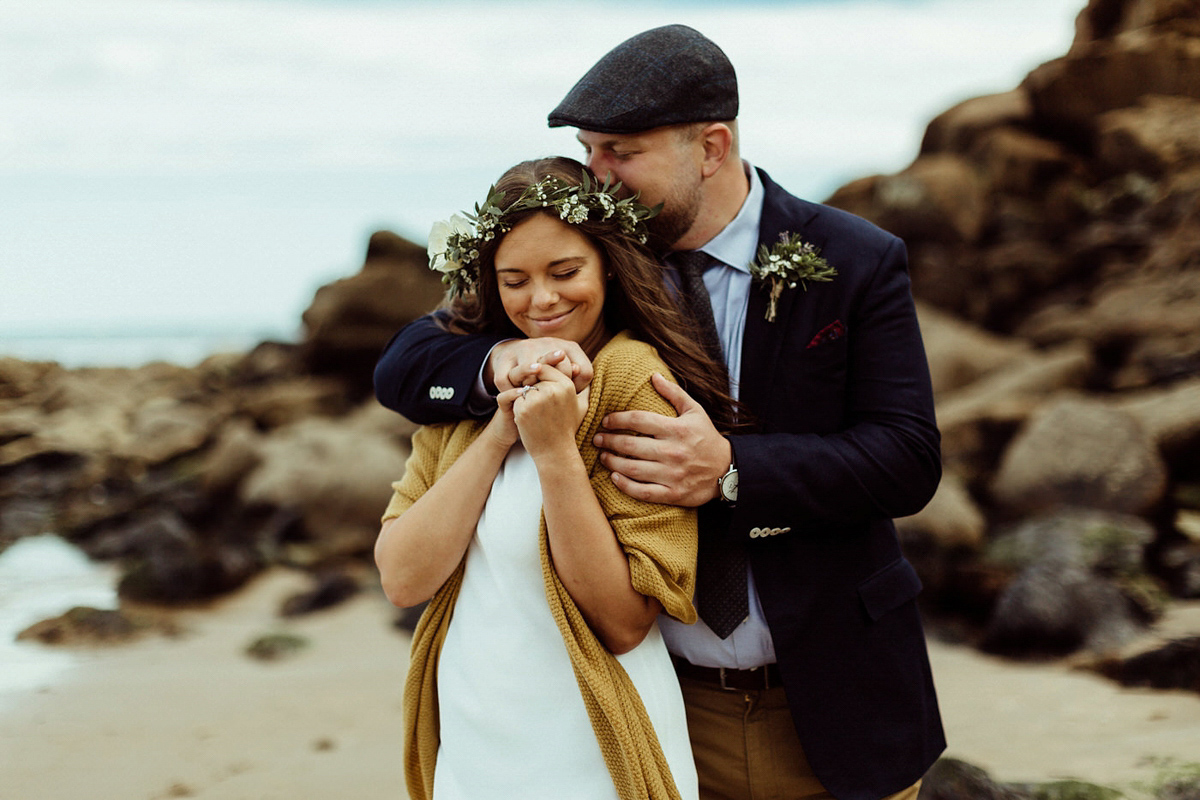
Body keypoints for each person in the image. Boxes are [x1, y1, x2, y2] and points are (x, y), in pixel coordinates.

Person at [374, 26, 945, 800]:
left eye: (620, 153)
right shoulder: (593, 268)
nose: (597, 176)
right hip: (662, 702)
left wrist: (731, 471)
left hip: (838, 693)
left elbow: (906, 457)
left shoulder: (853, 258)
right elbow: (407, 362)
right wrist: (494, 361)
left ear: (711, 146)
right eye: (589, 149)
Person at [375, 156, 741, 800]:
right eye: (514, 280)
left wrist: (554, 455)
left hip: (591, 748)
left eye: (565, 272)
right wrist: (499, 432)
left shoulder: (632, 378)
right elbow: (403, 578)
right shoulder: (469, 395)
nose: (541, 300)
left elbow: (625, 623)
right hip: (473, 740)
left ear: (608, 264)